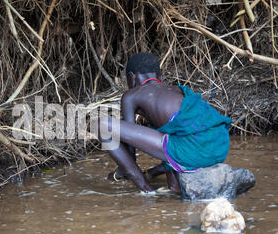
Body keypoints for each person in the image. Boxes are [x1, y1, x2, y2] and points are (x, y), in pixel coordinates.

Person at [98, 53, 232, 193]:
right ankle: (156, 181)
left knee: (102, 125)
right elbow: (181, 131)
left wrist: (119, 173)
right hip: (219, 146)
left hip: (195, 149)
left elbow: (130, 153)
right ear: (160, 77)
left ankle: (147, 190)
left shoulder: (131, 96)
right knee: (174, 188)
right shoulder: (177, 91)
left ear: (131, 77)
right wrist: (152, 173)